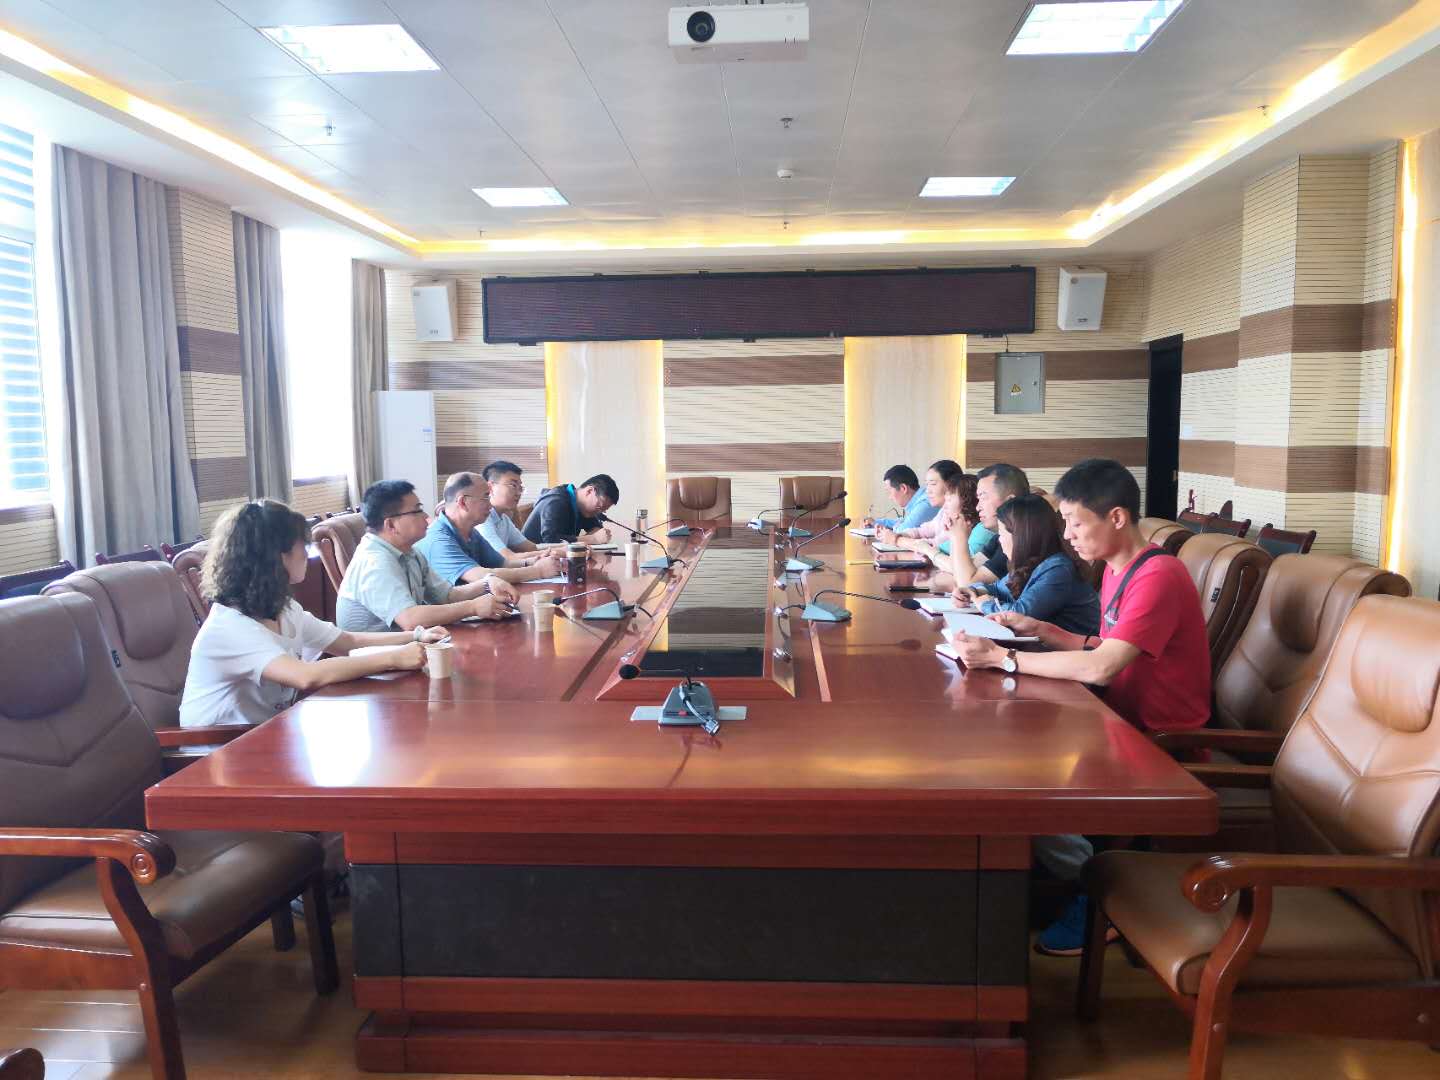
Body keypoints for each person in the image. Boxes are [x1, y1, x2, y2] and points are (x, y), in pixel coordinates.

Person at [950, 459, 1210, 957]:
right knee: (1004, 751)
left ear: (1117, 517)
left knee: (1018, 779)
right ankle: (1052, 875)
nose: (1066, 535)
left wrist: (1005, 660)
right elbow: (1106, 646)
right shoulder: (1117, 568)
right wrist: (1045, 631)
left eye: (1074, 522)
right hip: (1113, 718)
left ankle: (1097, 889)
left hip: (1157, 740)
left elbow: (1102, 667)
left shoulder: (1158, 575)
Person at [180, 500, 448, 728]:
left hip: (265, 733)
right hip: (214, 750)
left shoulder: (282, 608)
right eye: (302, 545)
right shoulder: (230, 627)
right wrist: (394, 658)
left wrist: (416, 636)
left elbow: (348, 642)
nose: (306, 554)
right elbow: (306, 675)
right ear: (277, 555)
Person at [336, 479, 508, 633]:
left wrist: (487, 583)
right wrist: (473, 607)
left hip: (410, 646)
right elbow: (410, 619)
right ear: (391, 525)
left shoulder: (410, 551)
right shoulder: (374, 561)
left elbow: (447, 596)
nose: (426, 516)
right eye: (417, 511)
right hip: (377, 655)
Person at [956, 493, 1098, 636]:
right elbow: (998, 589)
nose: (1000, 540)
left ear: (1021, 535)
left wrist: (986, 604)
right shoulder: (1030, 562)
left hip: (1075, 648)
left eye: (1002, 533)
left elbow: (1020, 614)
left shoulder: (1059, 569)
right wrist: (972, 592)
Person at [418, 472, 564, 588]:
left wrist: (535, 560)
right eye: (485, 497)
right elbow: (479, 575)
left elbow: (502, 563)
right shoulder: (438, 539)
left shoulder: (471, 532)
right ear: (463, 502)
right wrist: (538, 571)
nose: (490, 505)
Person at [950, 462, 1031, 588]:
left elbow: (969, 585)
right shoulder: (998, 538)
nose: (977, 507)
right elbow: (960, 573)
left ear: (1010, 502)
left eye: (983, 497)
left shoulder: (1020, 540)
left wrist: (959, 538)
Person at [878, 459, 962, 548]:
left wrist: (896, 539)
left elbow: (935, 545)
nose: (928, 491)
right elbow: (923, 530)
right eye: (927, 485)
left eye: (933, 484)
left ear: (952, 485)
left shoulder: (959, 516)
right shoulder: (944, 511)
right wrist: (901, 535)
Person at [478, 460, 551, 561]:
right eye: (513, 485)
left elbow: (531, 547)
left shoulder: (503, 519)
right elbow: (507, 557)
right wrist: (560, 551)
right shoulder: (482, 520)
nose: (518, 493)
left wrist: (567, 547)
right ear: (490, 488)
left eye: (520, 488)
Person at [522, 474, 619, 545]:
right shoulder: (556, 501)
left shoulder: (581, 506)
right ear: (589, 491)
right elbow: (551, 540)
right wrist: (592, 539)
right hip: (532, 560)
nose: (599, 512)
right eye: (600, 507)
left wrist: (597, 534)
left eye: (603, 510)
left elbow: (596, 529)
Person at [869, 464, 938, 532]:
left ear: (903, 488)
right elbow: (904, 521)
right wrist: (875, 522)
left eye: (889, 492)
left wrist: (888, 527)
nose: (890, 497)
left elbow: (901, 531)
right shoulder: (919, 501)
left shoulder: (926, 503)